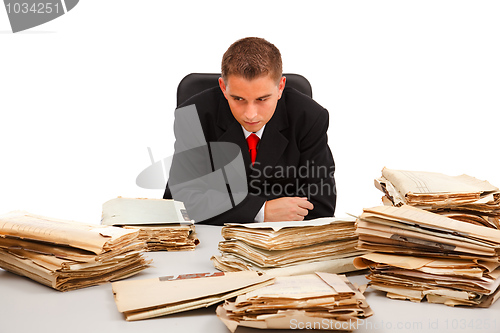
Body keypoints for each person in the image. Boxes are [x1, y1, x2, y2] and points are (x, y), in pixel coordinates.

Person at [164, 37, 336, 225]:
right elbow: (179, 202)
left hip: (281, 245)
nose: (251, 114)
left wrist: (216, 201)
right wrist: (261, 210)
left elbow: (321, 205)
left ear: (280, 87)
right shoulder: (192, 116)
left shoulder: (309, 117)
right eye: (238, 99)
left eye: (262, 99)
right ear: (223, 87)